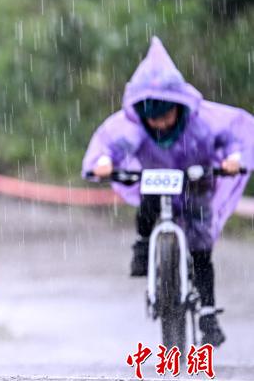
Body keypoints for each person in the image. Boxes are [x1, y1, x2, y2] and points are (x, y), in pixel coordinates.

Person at [82, 37, 254, 347]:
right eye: (153, 118)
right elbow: (109, 145)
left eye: (165, 116)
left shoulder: (203, 123)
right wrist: (104, 163)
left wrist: (233, 159)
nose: (160, 124)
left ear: (179, 107)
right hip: (155, 184)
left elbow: (233, 136)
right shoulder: (131, 128)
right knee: (147, 210)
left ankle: (208, 312)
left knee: (201, 247)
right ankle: (144, 244)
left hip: (195, 183)